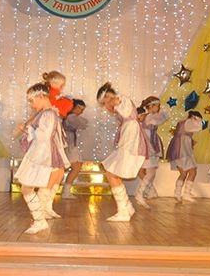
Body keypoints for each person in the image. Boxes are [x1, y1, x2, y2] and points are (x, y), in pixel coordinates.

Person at [14, 82, 69, 234]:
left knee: (27, 187)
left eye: (32, 101)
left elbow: (44, 136)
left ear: (41, 96)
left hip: (42, 155)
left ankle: (40, 220)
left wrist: (27, 128)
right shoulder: (47, 113)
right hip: (40, 153)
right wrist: (28, 129)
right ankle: (39, 220)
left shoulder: (49, 114)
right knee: (26, 187)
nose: (31, 105)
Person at [96, 82, 149, 221]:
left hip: (130, 141)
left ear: (108, 97)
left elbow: (121, 107)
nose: (106, 106)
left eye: (104, 103)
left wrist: (113, 103)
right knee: (111, 171)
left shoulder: (120, 99)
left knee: (112, 172)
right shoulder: (121, 102)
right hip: (128, 139)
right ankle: (126, 207)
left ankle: (124, 210)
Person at [135, 96, 169, 208]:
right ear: (151, 106)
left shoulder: (148, 116)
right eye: (157, 106)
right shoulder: (149, 117)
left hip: (151, 145)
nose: (159, 108)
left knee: (150, 171)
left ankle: (147, 192)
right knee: (150, 172)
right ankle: (140, 194)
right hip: (148, 146)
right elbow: (162, 118)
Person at [165, 110, 203, 203]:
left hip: (179, 150)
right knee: (192, 172)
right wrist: (197, 120)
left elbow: (184, 134)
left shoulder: (183, 123)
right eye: (197, 119)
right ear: (193, 117)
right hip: (182, 151)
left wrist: (191, 141)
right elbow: (199, 127)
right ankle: (186, 194)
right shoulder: (189, 122)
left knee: (183, 173)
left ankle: (178, 193)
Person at [61, 99, 87, 199]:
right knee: (75, 167)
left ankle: (65, 191)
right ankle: (65, 192)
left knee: (76, 166)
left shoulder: (69, 117)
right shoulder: (71, 117)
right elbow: (83, 124)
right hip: (69, 145)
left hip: (70, 144)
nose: (81, 111)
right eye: (80, 109)